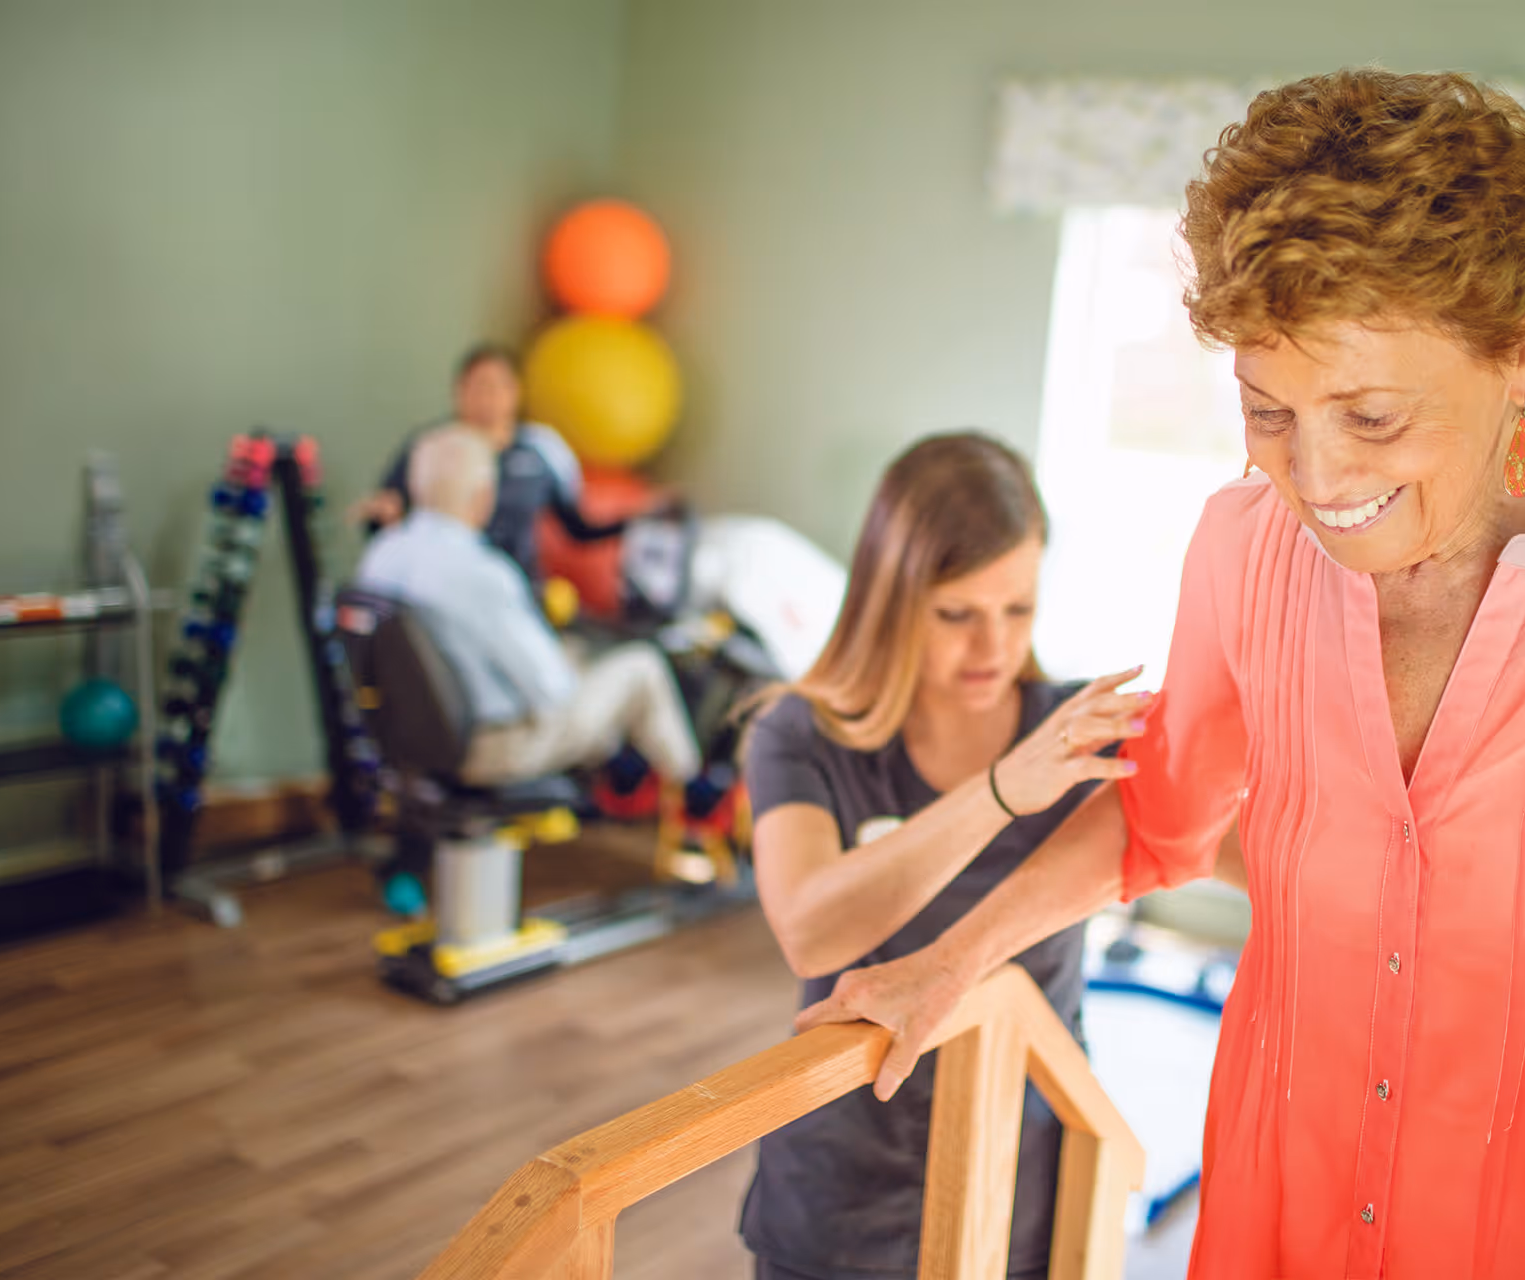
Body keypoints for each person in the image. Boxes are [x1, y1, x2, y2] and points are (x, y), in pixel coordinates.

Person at [796, 70, 1525, 1279]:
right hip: (1287, 1226)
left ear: (1524, 346)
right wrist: (948, 959)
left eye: (1369, 416)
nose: (1312, 477)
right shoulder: (1240, 545)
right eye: (1267, 409)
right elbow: (1157, 824)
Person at [737, 432, 1148, 1280]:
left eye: (1018, 610)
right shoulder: (798, 734)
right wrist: (1002, 790)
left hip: (1029, 1181)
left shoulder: (1082, 730)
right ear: (891, 601)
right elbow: (811, 930)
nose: (991, 647)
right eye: (957, 614)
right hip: (842, 1194)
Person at [355, 424, 700, 792]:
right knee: (642, 667)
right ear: (484, 496)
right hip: (490, 750)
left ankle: (619, 767)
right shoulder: (482, 572)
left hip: (408, 744)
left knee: (573, 656)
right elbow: (552, 690)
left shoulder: (381, 555)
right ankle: (697, 798)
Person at [350, 342, 633, 582]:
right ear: (459, 391)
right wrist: (383, 519)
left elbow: (578, 528)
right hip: (447, 587)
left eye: (496, 387)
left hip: (514, 589)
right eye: (477, 387)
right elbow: (386, 518)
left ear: (515, 392)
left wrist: (637, 520)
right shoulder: (431, 448)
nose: (486, 399)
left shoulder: (541, 450)